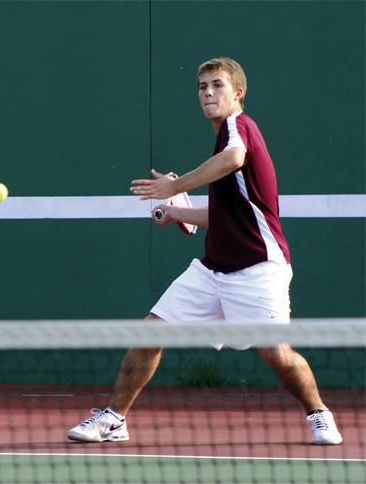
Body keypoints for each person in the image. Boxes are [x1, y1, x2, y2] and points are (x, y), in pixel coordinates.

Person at [68, 57, 342, 445]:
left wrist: (171, 188)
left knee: (277, 354)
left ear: (238, 94)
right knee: (150, 332)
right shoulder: (223, 138)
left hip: (259, 267)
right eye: (202, 87)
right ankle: (114, 419)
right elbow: (226, 215)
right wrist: (176, 211)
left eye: (217, 85)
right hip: (213, 270)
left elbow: (233, 159)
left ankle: (319, 414)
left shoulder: (238, 127)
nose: (208, 93)